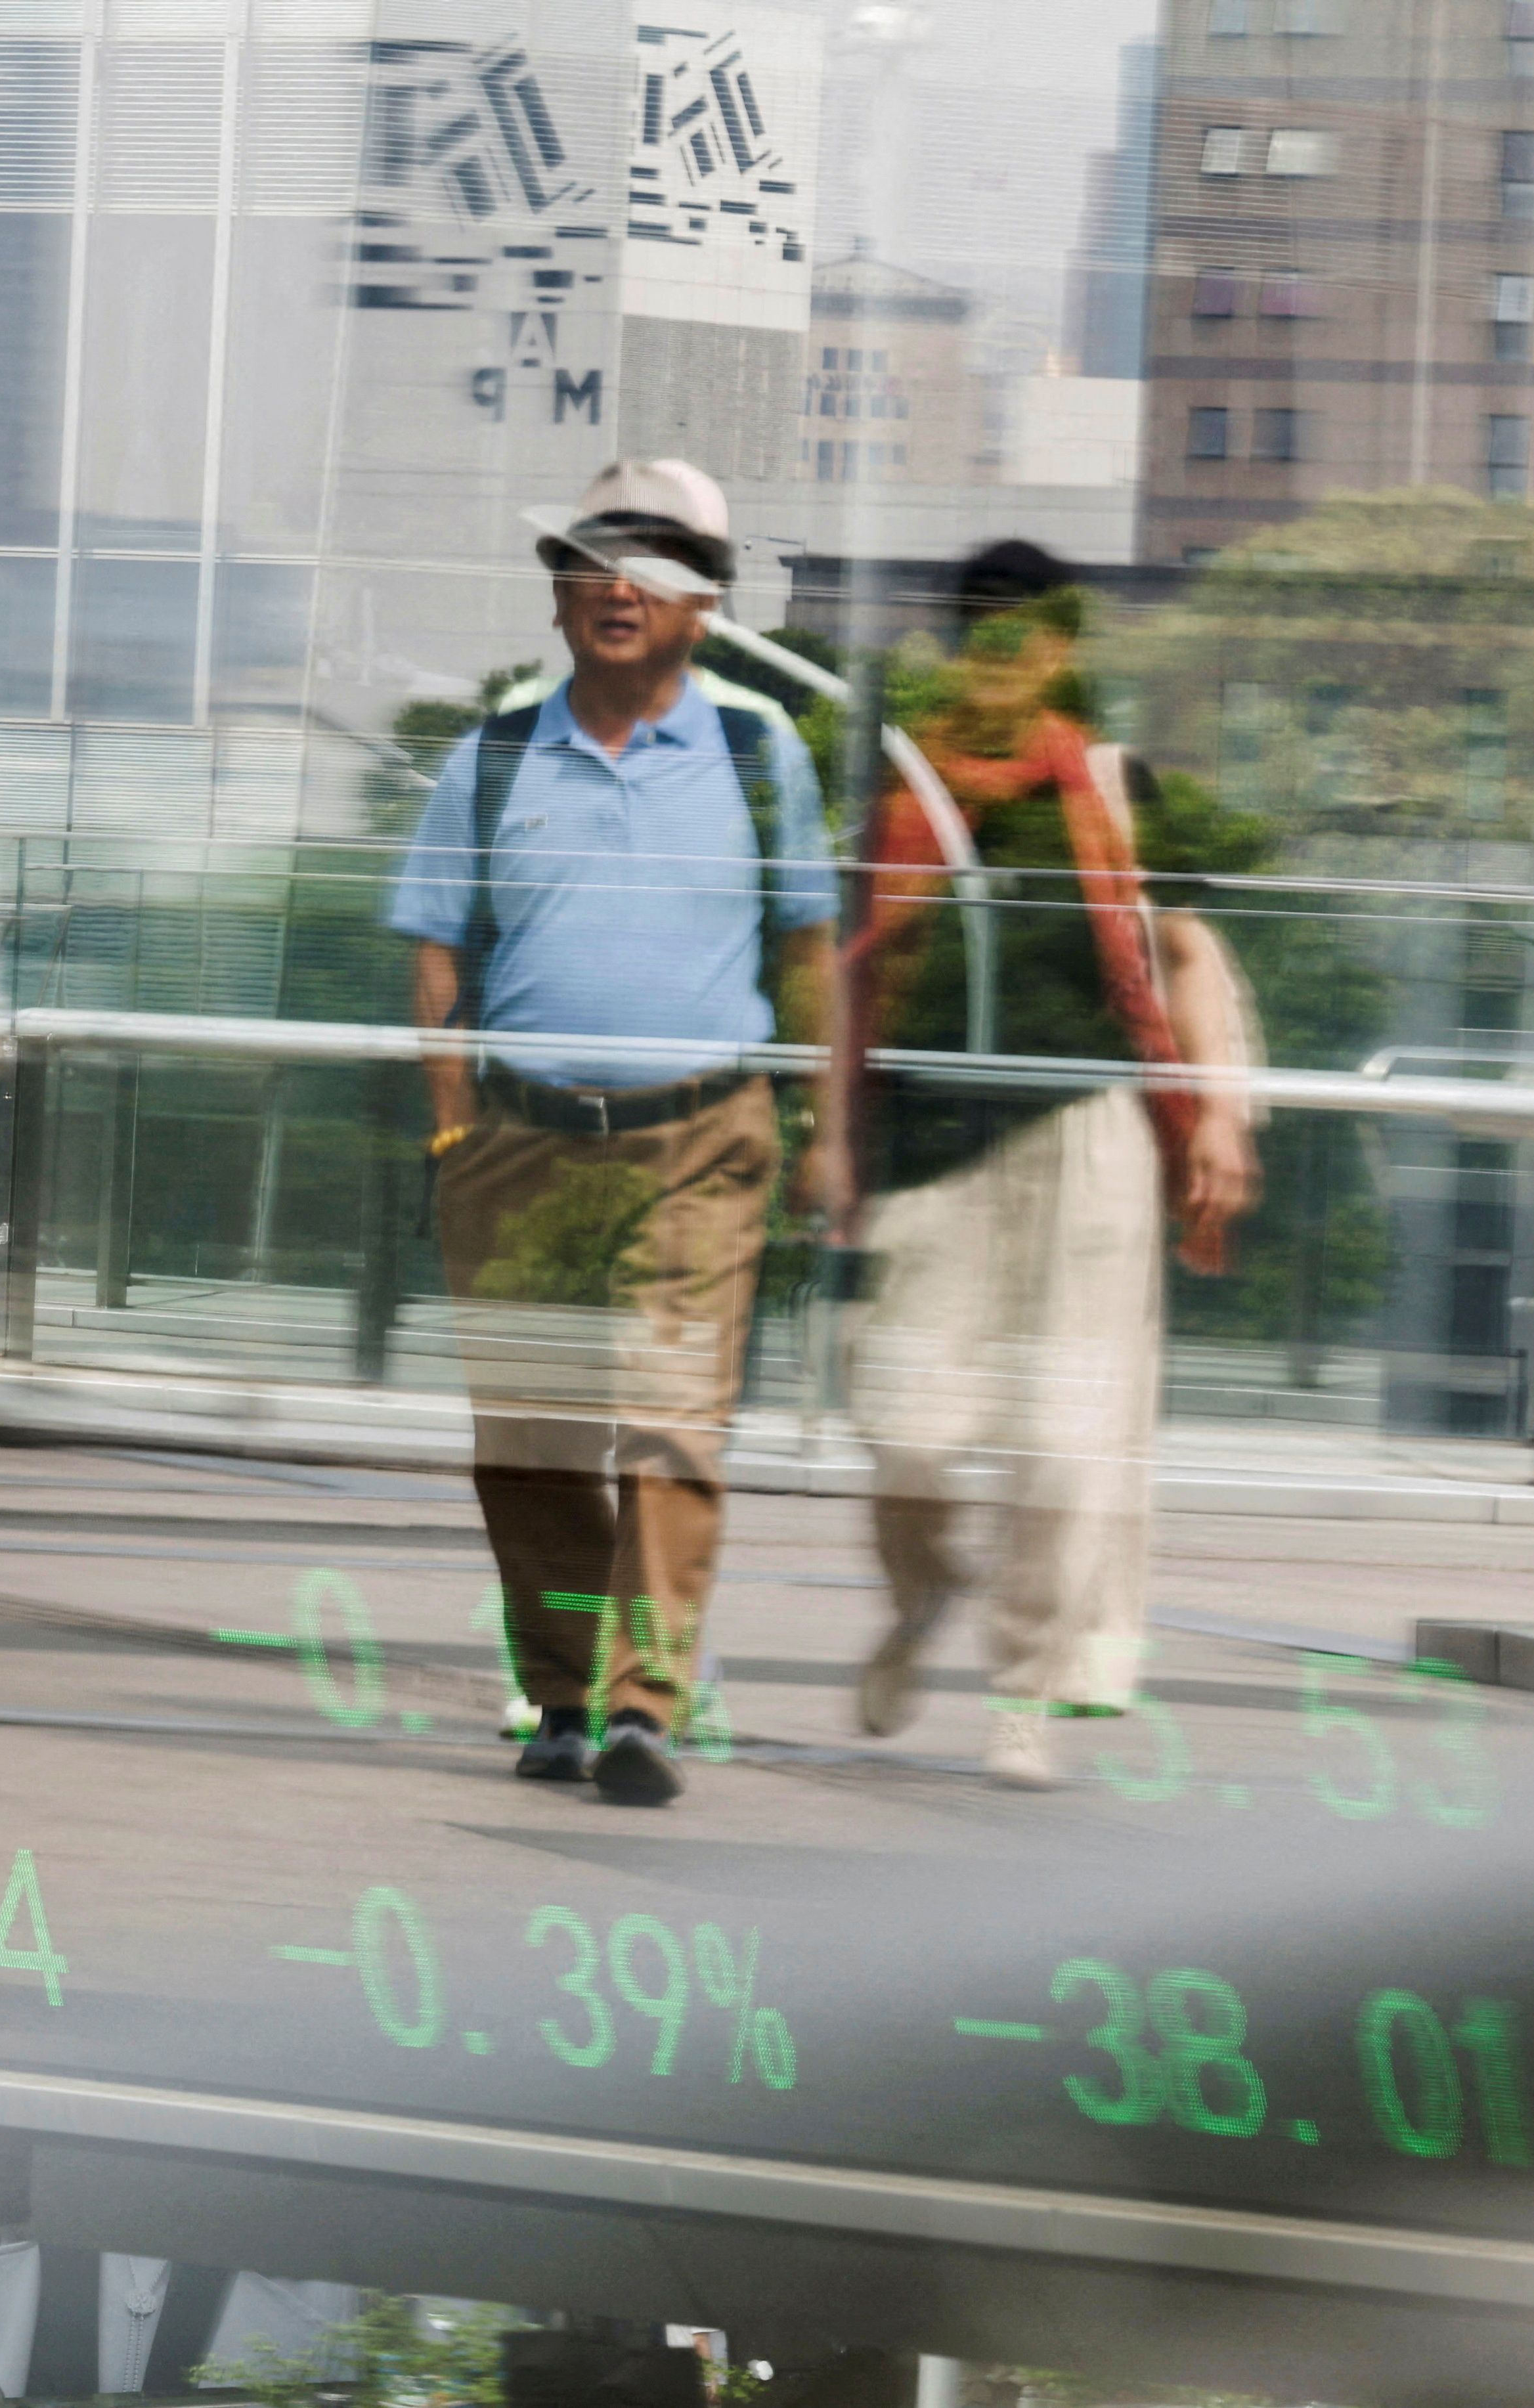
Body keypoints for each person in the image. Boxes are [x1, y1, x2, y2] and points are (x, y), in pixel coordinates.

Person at [387, 460, 839, 1807]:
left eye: (649, 565)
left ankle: (644, 1705)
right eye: (589, 560)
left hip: (701, 1138)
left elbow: (809, 946)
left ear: (704, 602)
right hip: (518, 1143)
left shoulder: (761, 749)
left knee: (670, 1430)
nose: (613, 587)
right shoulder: (498, 751)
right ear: (556, 595)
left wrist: (821, 1120)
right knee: (525, 1439)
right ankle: (565, 1695)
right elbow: (432, 954)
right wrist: (452, 1129)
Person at [839, 539, 1263, 1789]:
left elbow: (1187, 956)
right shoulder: (906, 793)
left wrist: (1223, 1117)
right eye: (984, 630)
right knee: (906, 1428)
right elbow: (859, 981)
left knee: (1064, 1439)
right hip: (934, 1140)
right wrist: (840, 1142)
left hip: (1086, 1139)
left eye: (1030, 631)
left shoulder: (1117, 788)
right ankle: (924, 1594)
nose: (1007, 653)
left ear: (1064, 650)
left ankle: (1022, 1689)